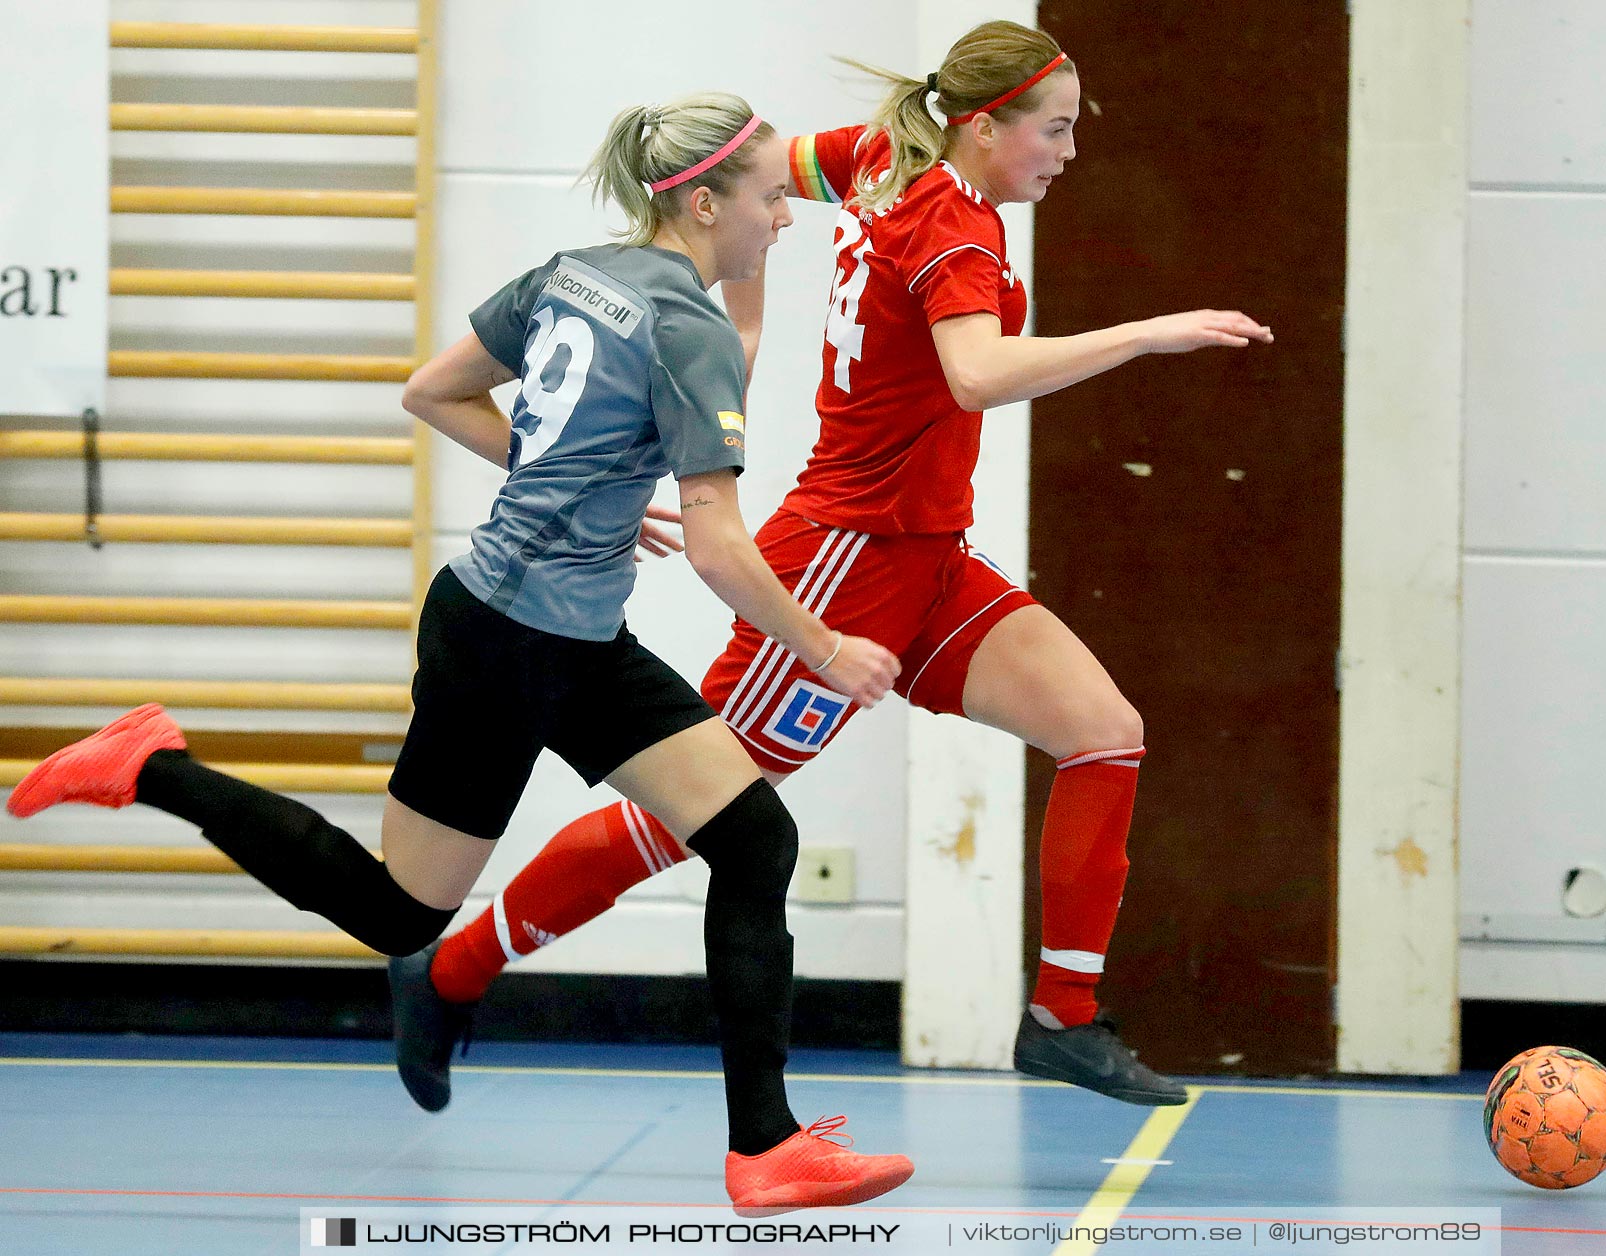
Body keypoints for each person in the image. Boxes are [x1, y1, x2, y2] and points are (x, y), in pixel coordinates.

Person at [4, 92, 915, 1216]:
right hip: (503, 638)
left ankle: (765, 1146)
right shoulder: (680, 327)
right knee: (399, 915)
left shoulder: (578, 271)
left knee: (751, 832)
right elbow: (723, 545)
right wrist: (827, 646)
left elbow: (433, 390)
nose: (786, 215)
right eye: (772, 198)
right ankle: (151, 763)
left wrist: (572, 485)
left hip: (570, 633)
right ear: (703, 197)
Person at [396, 21, 1273, 1111]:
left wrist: (748, 310)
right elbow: (976, 372)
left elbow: (767, 175)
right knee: (693, 810)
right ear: (984, 125)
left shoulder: (877, 153)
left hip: (930, 553)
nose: (1069, 151)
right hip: (842, 559)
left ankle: (1063, 1017)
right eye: (1053, 130)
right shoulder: (955, 227)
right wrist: (1147, 333)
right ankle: (450, 966)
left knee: (1104, 732)